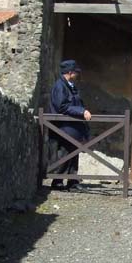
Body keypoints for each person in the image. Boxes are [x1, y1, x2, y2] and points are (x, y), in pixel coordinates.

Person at [47, 59, 91, 189]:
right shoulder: (60, 86)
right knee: (65, 153)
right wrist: (81, 111)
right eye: (76, 72)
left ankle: (72, 181)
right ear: (70, 73)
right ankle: (58, 181)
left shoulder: (70, 85)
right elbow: (62, 107)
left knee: (73, 152)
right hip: (64, 127)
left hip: (72, 126)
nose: (77, 75)